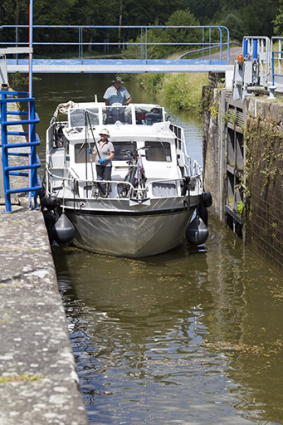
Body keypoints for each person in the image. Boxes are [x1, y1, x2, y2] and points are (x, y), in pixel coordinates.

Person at [92, 128, 114, 196]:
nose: (102, 136)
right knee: (99, 178)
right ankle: (102, 193)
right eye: (101, 134)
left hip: (106, 165)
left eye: (104, 135)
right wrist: (91, 152)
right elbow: (95, 152)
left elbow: (112, 155)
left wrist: (105, 159)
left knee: (106, 179)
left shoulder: (109, 144)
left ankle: (107, 194)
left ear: (106, 136)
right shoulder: (97, 143)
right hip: (98, 164)